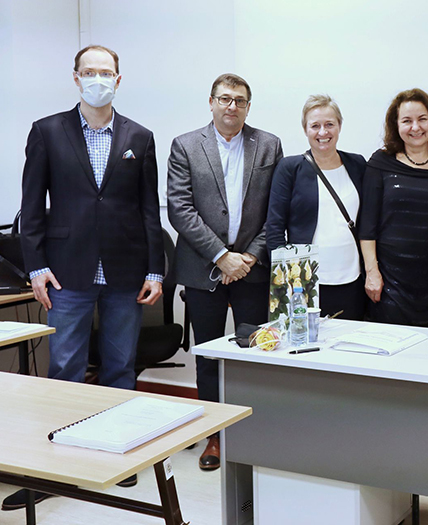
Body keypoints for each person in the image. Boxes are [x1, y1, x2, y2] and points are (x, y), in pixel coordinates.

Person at [9, 44, 164, 510]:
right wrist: (36, 266)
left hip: (125, 271)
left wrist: (156, 269)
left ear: (119, 78)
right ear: (76, 78)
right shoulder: (47, 131)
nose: (99, 79)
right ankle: (56, 467)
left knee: (120, 367)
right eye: (90, 72)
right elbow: (31, 206)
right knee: (64, 370)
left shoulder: (140, 136)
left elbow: (149, 210)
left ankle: (119, 457)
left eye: (106, 72)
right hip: (66, 272)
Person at [167, 73, 282, 471]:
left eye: (240, 100)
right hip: (203, 269)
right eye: (225, 98)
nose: (232, 106)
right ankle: (214, 436)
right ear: (211, 102)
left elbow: (275, 210)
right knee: (209, 356)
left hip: (252, 269)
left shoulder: (268, 144)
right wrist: (221, 256)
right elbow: (180, 208)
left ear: (248, 106)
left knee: (256, 352)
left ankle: (253, 432)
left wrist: (248, 256)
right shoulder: (185, 145)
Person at [358, 89, 428, 326]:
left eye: (422, 119)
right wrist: (372, 272)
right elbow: (367, 225)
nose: (416, 127)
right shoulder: (380, 163)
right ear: (396, 126)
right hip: (391, 283)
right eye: (407, 121)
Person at [266, 95, 366, 320]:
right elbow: (274, 229)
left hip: (352, 278)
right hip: (304, 283)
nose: (323, 132)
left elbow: (369, 221)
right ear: (305, 129)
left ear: (339, 126)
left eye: (329, 124)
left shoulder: (357, 164)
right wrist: (286, 281)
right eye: (315, 126)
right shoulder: (289, 168)